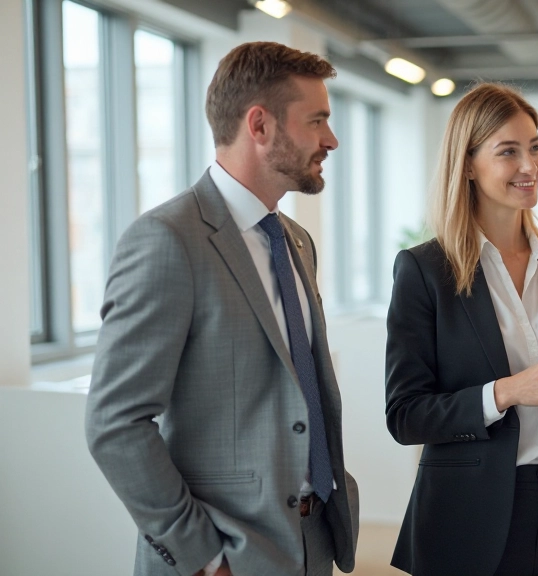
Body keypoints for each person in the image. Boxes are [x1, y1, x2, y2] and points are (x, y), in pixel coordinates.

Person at [85, 42, 359, 576]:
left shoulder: (296, 241)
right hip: (224, 554)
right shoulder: (167, 240)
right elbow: (115, 424)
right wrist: (204, 558)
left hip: (312, 539)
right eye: (317, 121)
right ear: (260, 125)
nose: (331, 139)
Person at [384, 82, 538, 576]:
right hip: (471, 514)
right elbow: (405, 415)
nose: (531, 166)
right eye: (509, 152)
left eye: (536, 147)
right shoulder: (424, 270)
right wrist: (505, 392)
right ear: (468, 165)